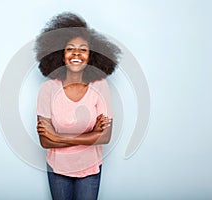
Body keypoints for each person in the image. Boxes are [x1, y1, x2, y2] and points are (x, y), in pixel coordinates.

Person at [35, 12, 121, 200]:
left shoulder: (100, 86)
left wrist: (57, 136)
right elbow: (45, 141)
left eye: (83, 49)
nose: (76, 54)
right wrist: (90, 136)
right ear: (60, 54)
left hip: (89, 168)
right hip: (57, 168)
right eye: (70, 49)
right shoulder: (48, 89)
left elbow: (105, 136)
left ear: (91, 56)